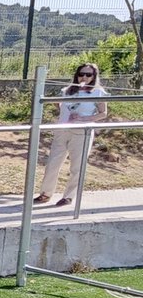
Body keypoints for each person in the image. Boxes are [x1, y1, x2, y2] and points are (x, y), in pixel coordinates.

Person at [36, 63, 109, 208]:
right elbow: (61, 106)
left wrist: (84, 119)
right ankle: (46, 193)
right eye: (82, 74)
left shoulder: (98, 92)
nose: (84, 77)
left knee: (77, 166)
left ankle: (69, 196)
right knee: (53, 163)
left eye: (89, 75)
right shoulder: (68, 90)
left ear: (94, 77)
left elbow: (103, 113)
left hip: (82, 132)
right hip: (63, 130)